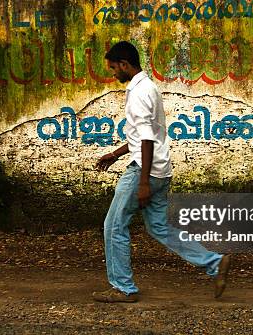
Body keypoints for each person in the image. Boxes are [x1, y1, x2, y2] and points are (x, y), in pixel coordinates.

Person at [92, 41, 230, 303]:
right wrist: (115, 154)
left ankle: (123, 287)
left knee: (113, 226)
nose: (112, 74)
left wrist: (143, 182)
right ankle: (214, 262)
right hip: (161, 170)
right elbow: (148, 134)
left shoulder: (139, 93)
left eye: (113, 68)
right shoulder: (149, 88)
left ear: (125, 64)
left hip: (144, 171)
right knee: (158, 227)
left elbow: (146, 139)